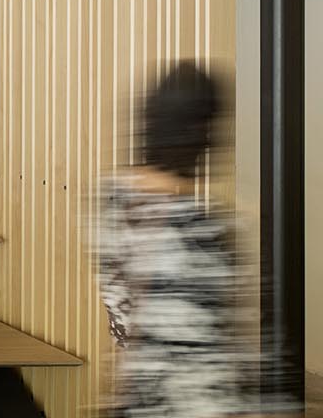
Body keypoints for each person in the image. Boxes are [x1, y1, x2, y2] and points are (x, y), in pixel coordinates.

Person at [94, 61, 246, 417]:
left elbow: (124, 314)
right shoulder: (202, 229)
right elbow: (210, 344)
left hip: (134, 395)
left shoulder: (110, 200)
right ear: (205, 134)